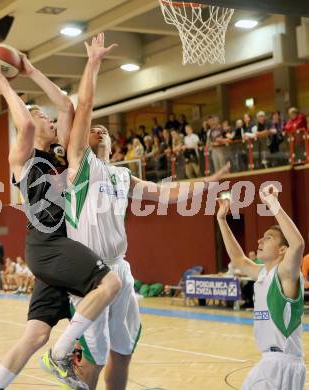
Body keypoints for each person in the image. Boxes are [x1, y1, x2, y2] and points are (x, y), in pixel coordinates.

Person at [48, 112, 230, 389]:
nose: (100, 131)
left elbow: (163, 194)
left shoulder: (123, 175)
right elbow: (80, 108)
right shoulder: (80, 169)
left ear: (113, 147)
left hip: (119, 269)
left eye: (104, 131)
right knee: (92, 359)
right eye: (92, 130)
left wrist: (206, 184)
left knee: (123, 352)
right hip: (89, 272)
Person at [0, 34, 121, 390]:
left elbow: (68, 105)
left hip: (59, 250)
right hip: (48, 246)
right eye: (40, 116)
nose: (46, 117)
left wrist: (31, 70)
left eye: (46, 115)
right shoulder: (24, 159)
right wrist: (2, 83)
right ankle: (62, 355)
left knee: (35, 335)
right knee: (110, 283)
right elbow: (26, 125)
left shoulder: (61, 154)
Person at [217, 185, 306, 389]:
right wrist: (222, 220)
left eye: (268, 238)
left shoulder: (285, 274)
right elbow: (239, 260)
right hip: (274, 363)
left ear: (283, 249)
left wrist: (273, 203)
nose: (260, 240)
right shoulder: (264, 273)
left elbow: (298, 244)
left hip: (280, 364)